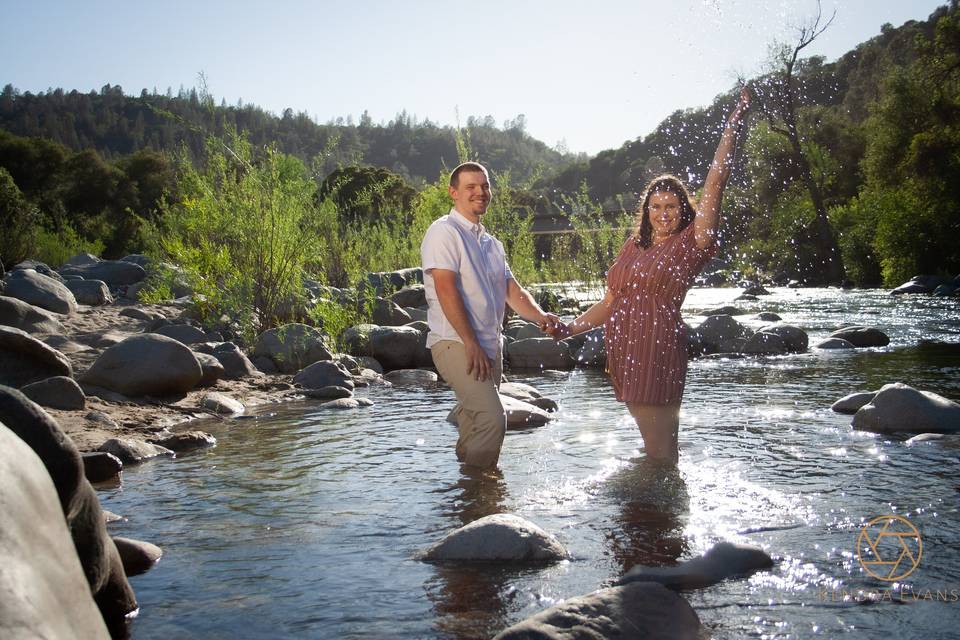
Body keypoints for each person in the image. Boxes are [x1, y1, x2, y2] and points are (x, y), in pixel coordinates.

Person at [549, 88, 751, 462]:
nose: (663, 213)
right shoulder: (633, 246)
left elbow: (715, 184)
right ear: (646, 210)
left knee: (660, 450)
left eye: (671, 206)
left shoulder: (693, 242)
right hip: (625, 346)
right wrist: (570, 328)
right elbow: (612, 300)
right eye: (655, 206)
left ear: (683, 209)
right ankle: (659, 511)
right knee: (657, 446)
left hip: (658, 344)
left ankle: (655, 511)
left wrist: (731, 129)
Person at [421, 162, 560, 469]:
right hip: (456, 342)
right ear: (453, 193)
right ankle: (482, 491)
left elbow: (513, 291)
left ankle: (464, 496)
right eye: (471, 187)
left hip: (489, 345)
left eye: (484, 186)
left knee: (474, 421)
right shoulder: (444, 232)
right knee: (492, 419)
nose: (480, 192)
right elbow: (445, 290)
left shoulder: (491, 244)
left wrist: (540, 317)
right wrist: (470, 343)